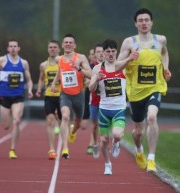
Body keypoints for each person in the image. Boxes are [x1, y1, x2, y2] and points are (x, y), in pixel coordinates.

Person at [116, 8, 172, 172]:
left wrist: (165, 68)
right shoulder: (129, 42)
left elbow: (165, 53)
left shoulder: (161, 40)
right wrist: (129, 58)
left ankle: (152, 159)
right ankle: (139, 149)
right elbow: (117, 65)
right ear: (135, 24)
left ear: (151, 22)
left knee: (152, 117)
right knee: (138, 131)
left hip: (155, 87)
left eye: (146, 20)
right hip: (135, 92)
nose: (144, 23)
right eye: (140, 20)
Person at [0, 39, 33, 159]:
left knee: (17, 121)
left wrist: (29, 90)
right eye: (11, 46)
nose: (13, 48)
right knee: (5, 126)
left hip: (18, 96)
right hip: (4, 96)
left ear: (19, 48)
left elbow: (29, 79)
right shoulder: (2, 60)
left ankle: (12, 149)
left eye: (15, 46)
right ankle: (7, 118)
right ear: (8, 48)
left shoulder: (24, 63)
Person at [89, 39, 127, 175]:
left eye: (113, 51)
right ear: (103, 53)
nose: (110, 54)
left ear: (116, 52)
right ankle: (107, 164)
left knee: (117, 135)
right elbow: (91, 88)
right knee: (103, 140)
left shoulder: (123, 67)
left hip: (119, 109)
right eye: (108, 51)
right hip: (104, 109)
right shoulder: (97, 69)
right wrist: (96, 79)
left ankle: (116, 142)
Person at [51, 33, 91, 159]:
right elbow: (60, 71)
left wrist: (78, 68)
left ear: (74, 45)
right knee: (66, 117)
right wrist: (53, 83)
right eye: (66, 42)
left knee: (78, 122)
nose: (68, 44)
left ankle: (73, 132)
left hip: (79, 95)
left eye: (70, 42)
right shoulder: (59, 59)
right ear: (62, 45)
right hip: (65, 95)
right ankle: (65, 148)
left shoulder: (80, 57)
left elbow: (90, 74)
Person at [36, 40, 62, 160]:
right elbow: (41, 78)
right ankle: (52, 149)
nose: (52, 49)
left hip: (63, 96)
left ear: (59, 49)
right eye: (50, 47)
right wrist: (39, 89)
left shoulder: (63, 63)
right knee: (50, 120)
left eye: (55, 47)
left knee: (63, 121)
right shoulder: (43, 65)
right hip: (49, 95)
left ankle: (65, 144)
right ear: (47, 49)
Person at [89, 44, 104, 159]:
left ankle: (105, 142)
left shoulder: (110, 66)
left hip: (107, 101)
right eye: (98, 52)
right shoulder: (92, 67)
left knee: (106, 125)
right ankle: (95, 144)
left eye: (102, 51)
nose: (100, 53)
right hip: (94, 101)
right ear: (94, 54)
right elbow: (86, 78)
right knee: (95, 125)